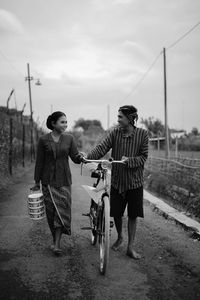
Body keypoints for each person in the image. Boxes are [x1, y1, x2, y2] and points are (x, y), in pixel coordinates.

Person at [84, 105, 148, 259]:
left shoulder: (142, 134)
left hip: (135, 182)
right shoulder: (115, 133)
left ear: (131, 118)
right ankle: (120, 236)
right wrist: (87, 157)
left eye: (120, 117)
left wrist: (130, 161)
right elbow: (102, 148)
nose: (118, 119)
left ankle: (130, 248)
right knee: (117, 213)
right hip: (118, 181)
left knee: (133, 215)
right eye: (118, 116)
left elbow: (144, 157)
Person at [31, 111, 83, 255]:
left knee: (62, 212)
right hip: (47, 182)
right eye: (62, 122)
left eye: (66, 122)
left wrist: (81, 158)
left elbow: (74, 157)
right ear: (53, 124)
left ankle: (57, 244)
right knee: (51, 213)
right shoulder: (43, 140)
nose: (65, 125)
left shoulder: (69, 139)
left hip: (64, 181)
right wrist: (37, 182)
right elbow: (39, 162)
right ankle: (55, 240)